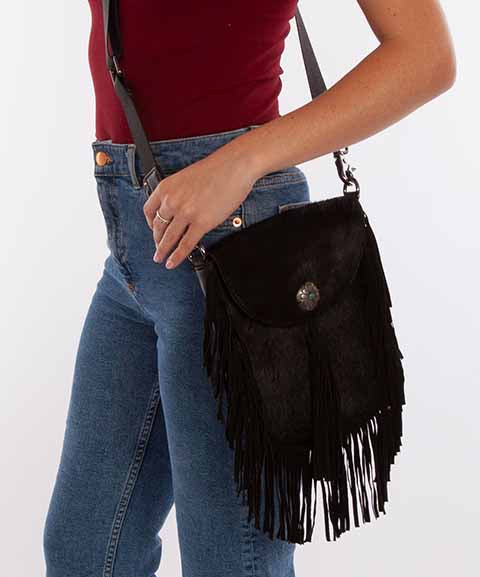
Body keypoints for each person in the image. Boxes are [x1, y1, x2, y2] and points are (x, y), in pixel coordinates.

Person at [42, 1, 456, 576]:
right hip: (136, 248)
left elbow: (427, 56)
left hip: (235, 245)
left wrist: (241, 162)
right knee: (83, 551)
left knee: (232, 562)